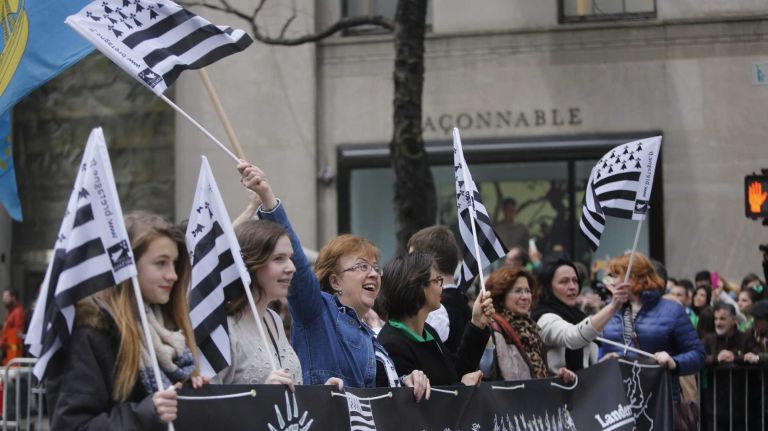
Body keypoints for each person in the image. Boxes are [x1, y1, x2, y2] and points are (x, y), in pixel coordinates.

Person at [239, 161, 430, 400]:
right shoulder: (319, 312)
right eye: (361, 266)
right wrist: (268, 198)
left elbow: (373, 397)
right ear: (335, 281)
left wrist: (405, 383)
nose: (373, 273)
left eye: (374, 267)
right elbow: (298, 262)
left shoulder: (369, 333)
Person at [46, 212, 205, 430]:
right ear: (127, 267)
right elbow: (72, 425)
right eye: (161, 263)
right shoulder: (90, 332)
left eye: (175, 263)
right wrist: (147, 413)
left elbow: (165, 409)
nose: (173, 275)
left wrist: (189, 393)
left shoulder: (164, 329)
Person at [599, 252, 705, 401]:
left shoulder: (672, 310)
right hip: (618, 403)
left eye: (616, 275)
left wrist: (674, 362)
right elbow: (603, 350)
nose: (611, 282)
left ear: (634, 277)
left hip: (660, 402)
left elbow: (698, 354)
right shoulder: (609, 312)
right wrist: (602, 362)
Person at [377, 253, 493, 386]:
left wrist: (477, 323)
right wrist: (463, 389)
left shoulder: (428, 331)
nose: (442, 287)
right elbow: (420, 403)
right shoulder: (392, 346)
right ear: (417, 287)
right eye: (437, 280)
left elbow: (455, 372)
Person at [214, 219, 303, 389]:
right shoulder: (224, 328)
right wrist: (262, 396)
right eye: (279, 259)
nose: (291, 267)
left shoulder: (274, 319)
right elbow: (205, 403)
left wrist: (322, 392)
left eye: (290, 258)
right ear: (250, 264)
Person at [531, 258, 628, 373]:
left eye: (575, 280)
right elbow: (573, 337)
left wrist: (602, 364)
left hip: (583, 389)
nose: (572, 286)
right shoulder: (544, 318)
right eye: (564, 281)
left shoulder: (577, 315)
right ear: (548, 288)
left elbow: (583, 367)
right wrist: (612, 308)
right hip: (557, 390)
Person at [486, 267, 576, 382]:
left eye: (527, 291)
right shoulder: (493, 328)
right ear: (501, 296)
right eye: (518, 291)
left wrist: (557, 378)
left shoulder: (531, 328)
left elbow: (534, 376)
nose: (525, 297)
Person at [407, 225, 468, 353]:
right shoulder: (462, 302)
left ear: (430, 262)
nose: (408, 266)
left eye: (413, 259)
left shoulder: (433, 310)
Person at [1, 289, 25, 365]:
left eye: (6, 297)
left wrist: (2, 343)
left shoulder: (18, 312)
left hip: (12, 354)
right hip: (7, 352)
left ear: (13, 297)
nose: (3, 300)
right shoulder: (10, 313)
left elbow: (16, 334)